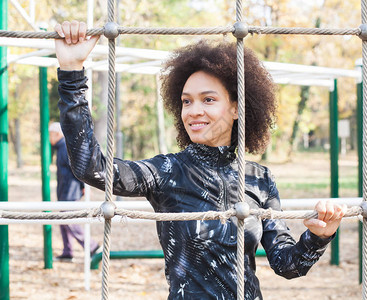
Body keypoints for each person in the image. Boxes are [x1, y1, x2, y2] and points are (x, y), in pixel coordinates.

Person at [54, 21, 347, 299]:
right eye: (186, 101)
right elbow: (92, 167)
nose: (193, 110)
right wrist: (71, 73)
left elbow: (287, 265)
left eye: (208, 99)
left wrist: (320, 236)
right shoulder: (167, 171)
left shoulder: (260, 178)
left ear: (235, 107)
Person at [49, 122, 101, 262]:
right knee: (63, 221)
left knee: (70, 220)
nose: (49, 138)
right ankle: (67, 251)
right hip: (64, 189)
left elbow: (76, 168)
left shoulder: (64, 147)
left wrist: (84, 185)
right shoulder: (60, 148)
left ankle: (92, 246)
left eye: (50, 134)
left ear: (57, 134)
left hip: (70, 190)